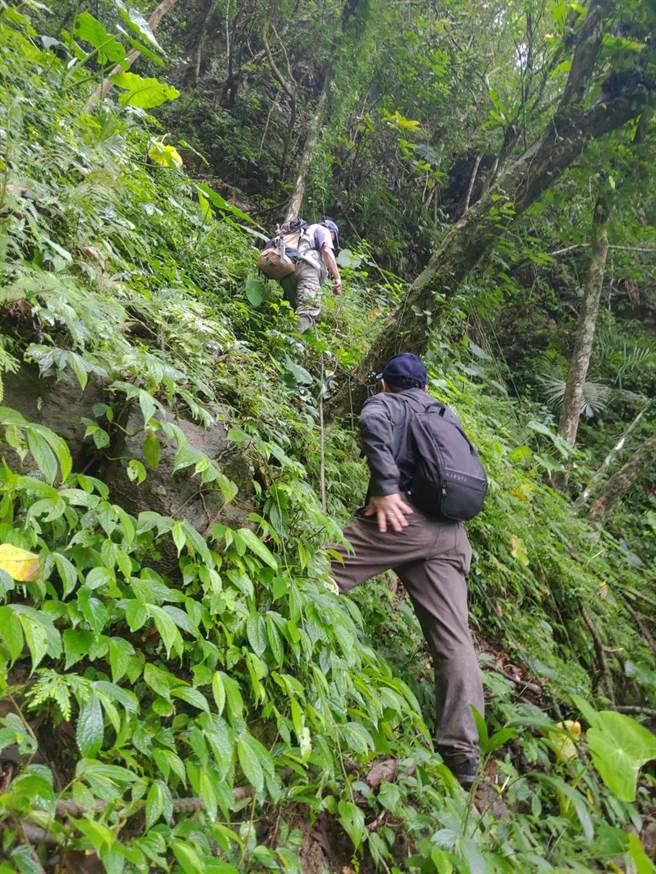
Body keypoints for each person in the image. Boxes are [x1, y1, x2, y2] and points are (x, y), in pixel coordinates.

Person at [330, 352, 484, 787]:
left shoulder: (385, 403)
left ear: (384, 384)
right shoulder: (444, 413)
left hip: (401, 517)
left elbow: (372, 424)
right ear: (425, 387)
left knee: (316, 573)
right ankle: (463, 756)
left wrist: (384, 487)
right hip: (452, 533)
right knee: (455, 641)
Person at [280, 219, 343, 333]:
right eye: (333, 238)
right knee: (309, 308)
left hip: (289, 272)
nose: (332, 241)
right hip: (307, 270)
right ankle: (290, 342)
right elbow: (326, 250)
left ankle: (294, 342)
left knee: (299, 311)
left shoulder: (304, 233)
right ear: (332, 232)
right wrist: (337, 278)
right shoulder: (323, 230)